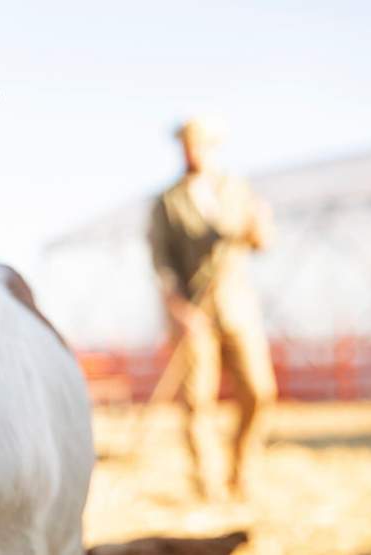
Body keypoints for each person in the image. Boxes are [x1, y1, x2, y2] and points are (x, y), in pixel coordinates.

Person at [147, 116, 277, 501]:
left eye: (200, 143)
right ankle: (207, 484)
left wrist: (259, 229)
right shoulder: (167, 202)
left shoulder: (236, 190)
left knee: (259, 391)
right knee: (197, 401)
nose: (193, 149)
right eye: (187, 143)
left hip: (236, 306)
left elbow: (261, 240)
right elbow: (161, 263)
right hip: (192, 314)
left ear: (212, 147)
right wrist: (178, 309)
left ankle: (243, 470)